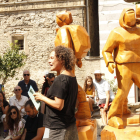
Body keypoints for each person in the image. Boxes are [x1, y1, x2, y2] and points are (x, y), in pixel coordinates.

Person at [102, 8, 140, 128]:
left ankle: (124, 109)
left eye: (133, 16)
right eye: (129, 16)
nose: (132, 18)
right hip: (124, 66)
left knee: (124, 92)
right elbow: (106, 50)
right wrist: (109, 62)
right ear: (123, 18)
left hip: (138, 64)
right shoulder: (116, 32)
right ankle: (113, 115)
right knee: (122, 92)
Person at [34, 46, 79, 140]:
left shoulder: (60, 79)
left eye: (52, 58)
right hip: (69, 125)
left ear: (61, 59)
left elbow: (59, 105)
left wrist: (42, 97)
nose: (49, 61)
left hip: (57, 128)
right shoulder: (72, 77)